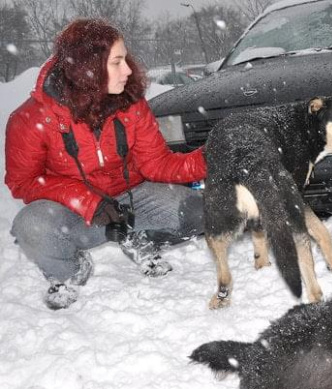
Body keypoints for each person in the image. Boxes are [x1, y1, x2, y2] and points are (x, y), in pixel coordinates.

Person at [4, 19, 207, 310]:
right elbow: (23, 182)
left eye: (125, 59)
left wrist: (210, 158)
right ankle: (69, 273)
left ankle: (136, 237)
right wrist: (89, 203)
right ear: (87, 67)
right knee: (31, 225)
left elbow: (158, 164)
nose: (127, 70)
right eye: (117, 62)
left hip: (130, 198)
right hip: (74, 211)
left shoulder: (131, 105)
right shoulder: (30, 119)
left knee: (197, 212)